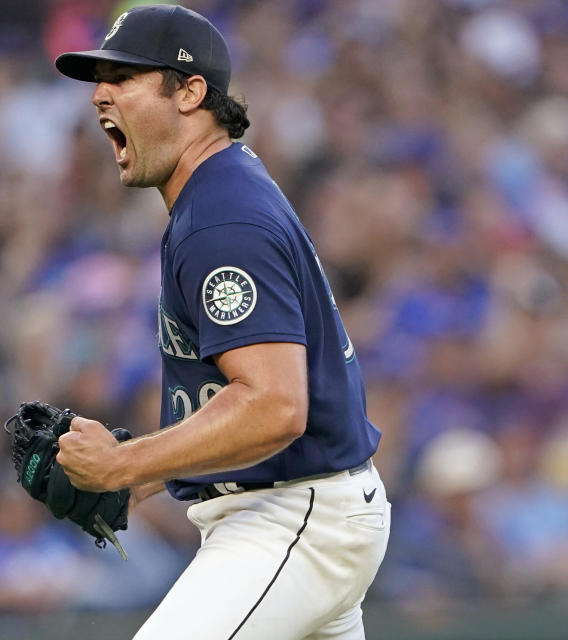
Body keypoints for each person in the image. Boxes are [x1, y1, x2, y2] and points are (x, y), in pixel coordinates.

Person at [52, 6, 390, 639]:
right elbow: (245, 403)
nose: (100, 93)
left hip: (291, 517)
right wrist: (139, 480)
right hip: (303, 513)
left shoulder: (220, 217)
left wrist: (124, 464)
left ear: (191, 92)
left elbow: (275, 407)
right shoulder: (220, 190)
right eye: (99, 78)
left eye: (124, 77)